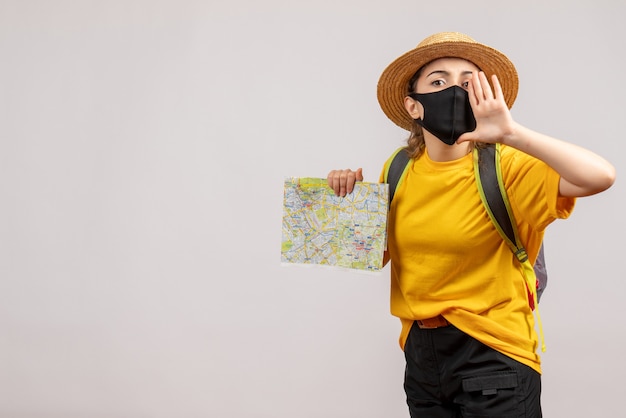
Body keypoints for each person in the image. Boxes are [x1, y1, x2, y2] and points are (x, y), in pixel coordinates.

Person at [327, 32, 615, 417]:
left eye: (468, 82)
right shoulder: (398, 168)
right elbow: (377, 256)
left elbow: (600, 176)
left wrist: (512, 134)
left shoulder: (506, 167)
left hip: (493, 353)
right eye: (439, 81)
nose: (455, 90)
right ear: (414, 106)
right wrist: (347, 202)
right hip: (422, 358)